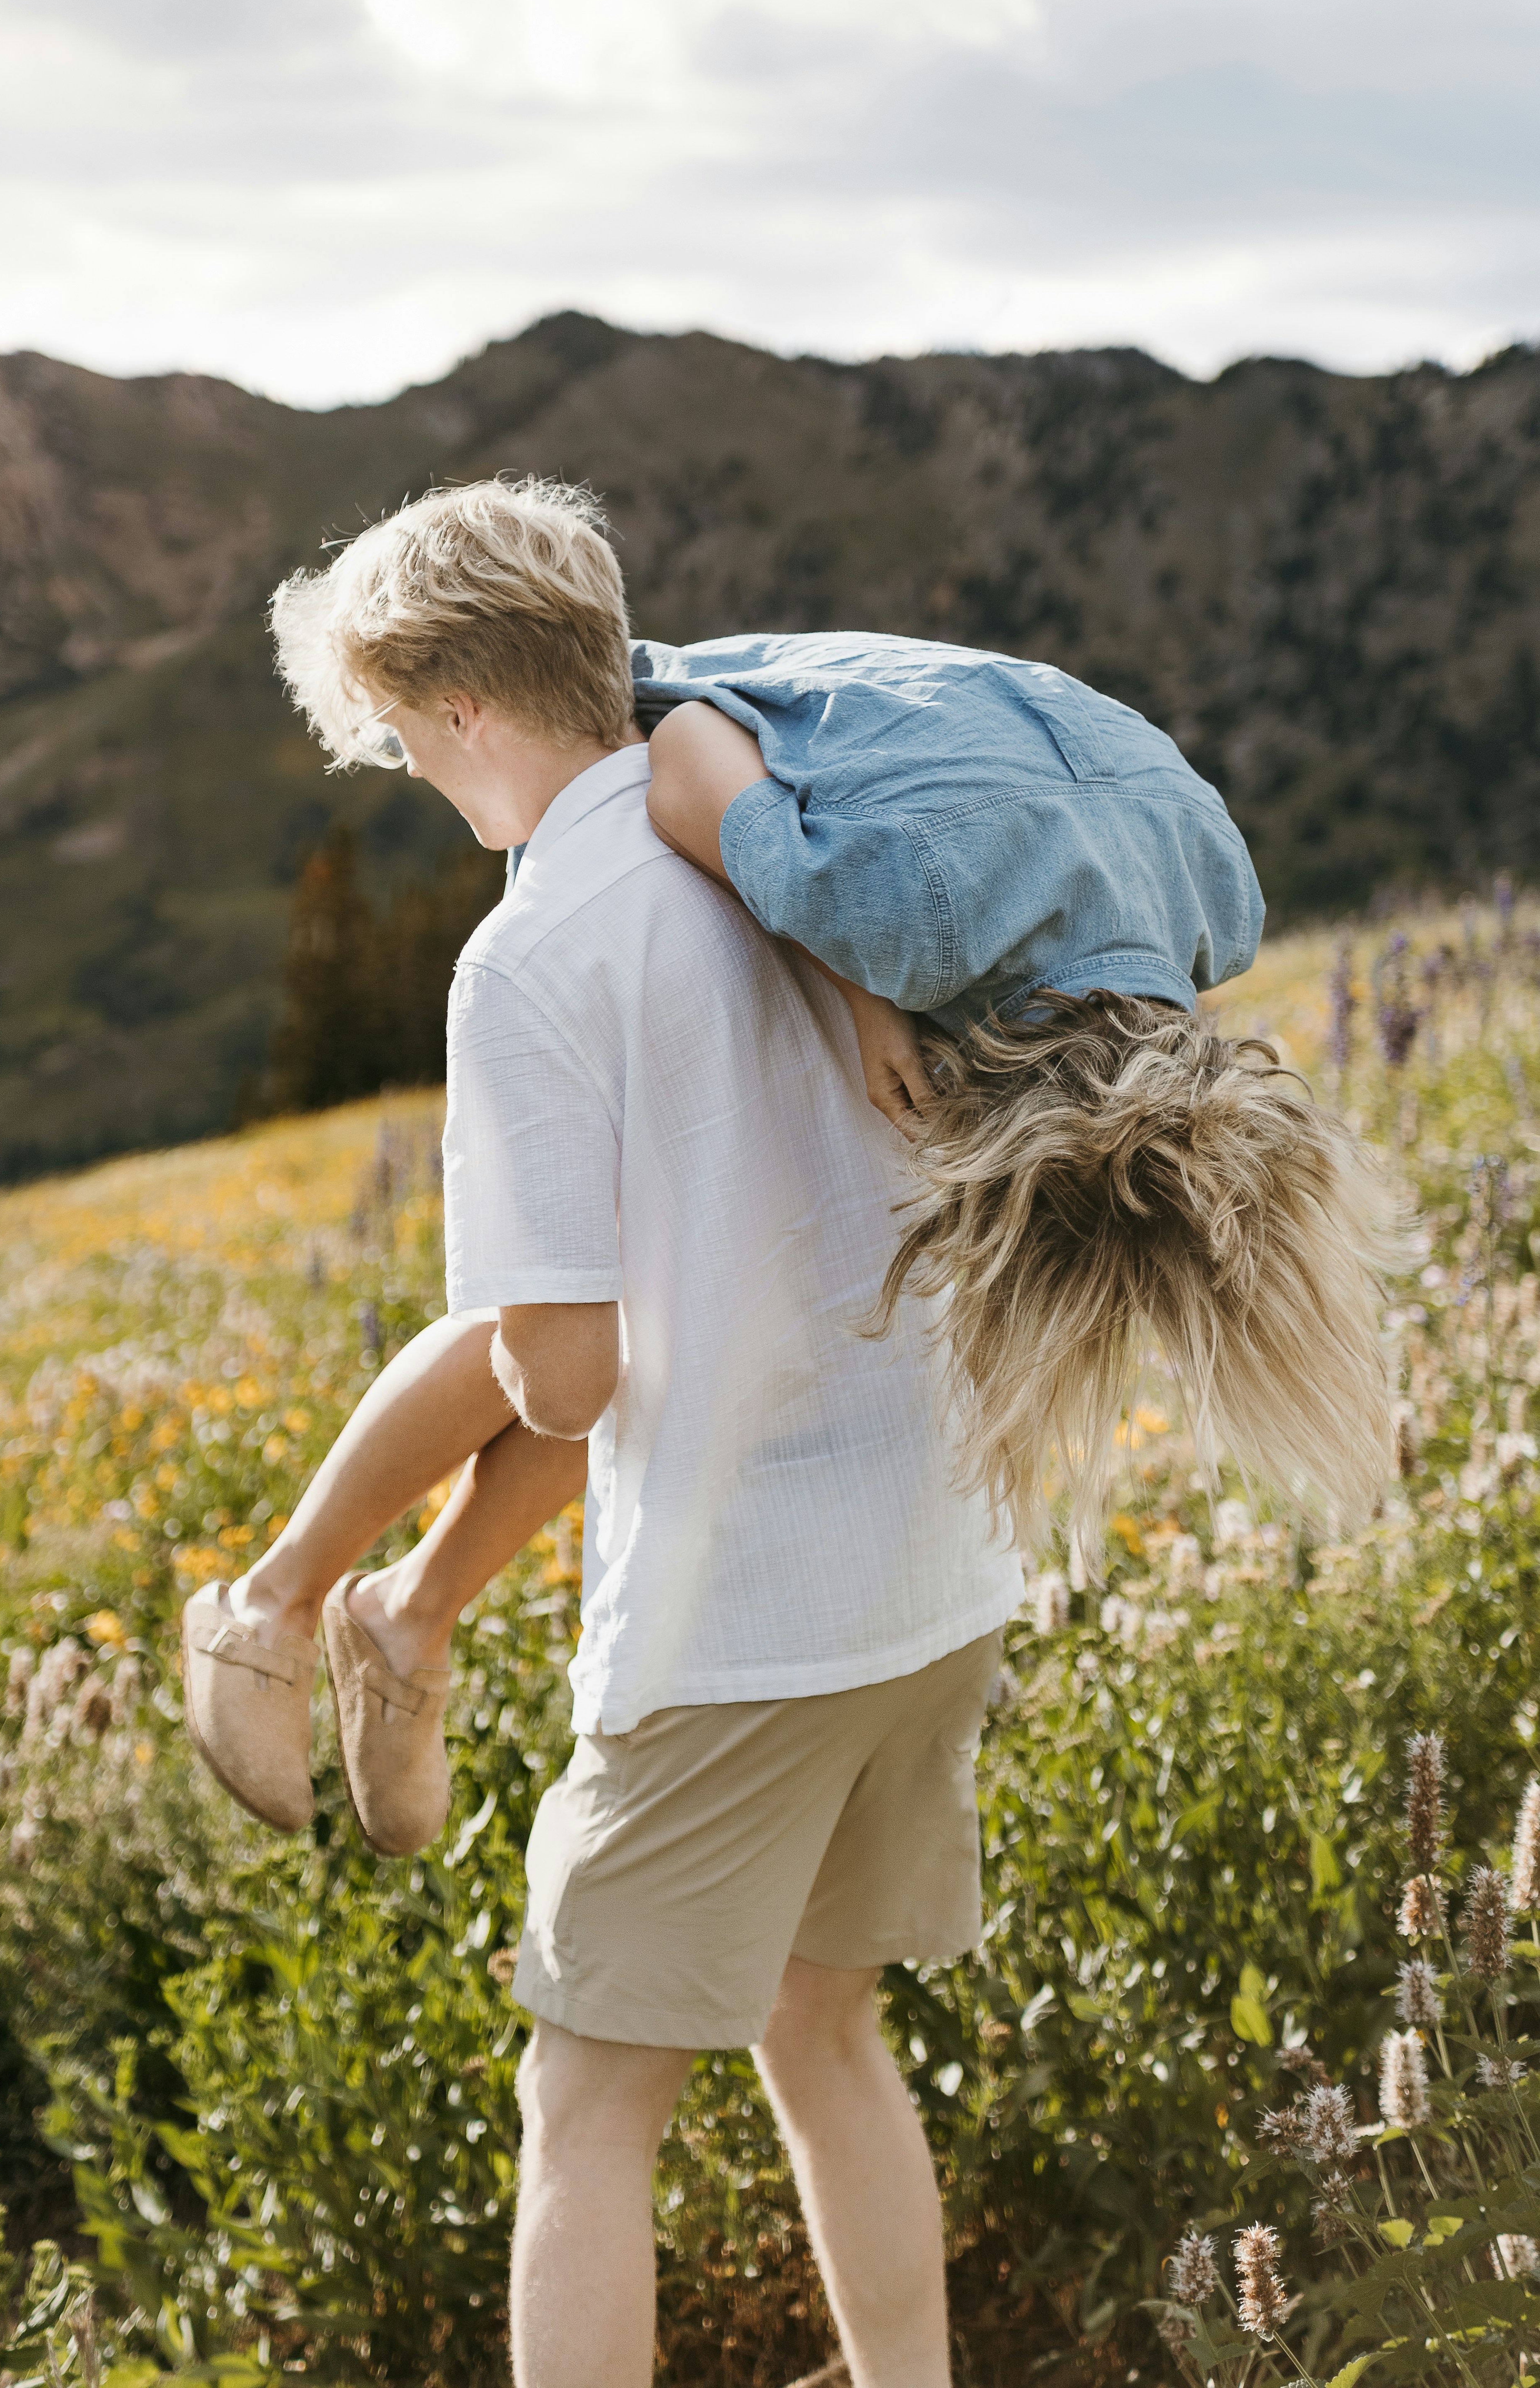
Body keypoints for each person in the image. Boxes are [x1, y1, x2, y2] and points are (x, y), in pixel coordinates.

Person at [185, 476, 1390, 1862]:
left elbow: (833, 816)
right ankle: (282, 1600)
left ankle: (394, 1611)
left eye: (400, 741)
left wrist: (868, 973)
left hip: (792, 795)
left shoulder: (1166, 909)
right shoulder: (908, 904)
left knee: (641, 1304)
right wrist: (867, 983)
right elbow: (727, 782)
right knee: (564, 1316)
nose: (405, 772)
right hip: (698, 782)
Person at [189, 473, 1025, 2388]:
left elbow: (560, 1375)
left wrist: (550, 1346)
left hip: (741, 1616)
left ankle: (329, 1602)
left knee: (584, 2103)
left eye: (402, 735)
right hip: (934, 1564)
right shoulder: (793, 850)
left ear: (461, 706)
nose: (413, 773)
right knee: (829, 2030)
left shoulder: (537, 950)